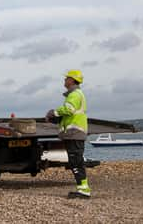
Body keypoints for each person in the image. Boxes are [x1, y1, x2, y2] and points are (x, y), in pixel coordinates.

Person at [46, 69, 91, 199]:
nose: (64, 80)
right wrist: (58, 119)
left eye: (66, 78)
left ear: (72, 80)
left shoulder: (75, 94)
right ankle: (82, 188)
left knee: (76, 161)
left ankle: (84, 190)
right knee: (75, 161)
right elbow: (69, 115)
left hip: (75, 133)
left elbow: (69, 109)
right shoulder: (75, 94)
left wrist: (53, 112)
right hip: (73, 133)